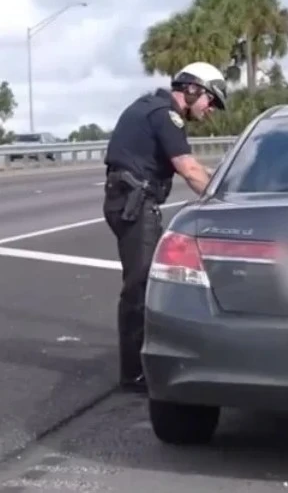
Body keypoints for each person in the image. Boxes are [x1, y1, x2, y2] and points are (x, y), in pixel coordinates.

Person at [103, 61, 228, 393]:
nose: (210, 109)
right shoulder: (166, 115)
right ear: (193, 89)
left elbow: (192, 168)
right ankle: (134, 375)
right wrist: (226, 202)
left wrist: (219, 182)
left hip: (127, 199)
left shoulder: (150, 106)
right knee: (140, 287)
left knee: (142, 284)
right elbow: (189, 169)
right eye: (211, 100)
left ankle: (137, 366)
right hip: (135, 203)